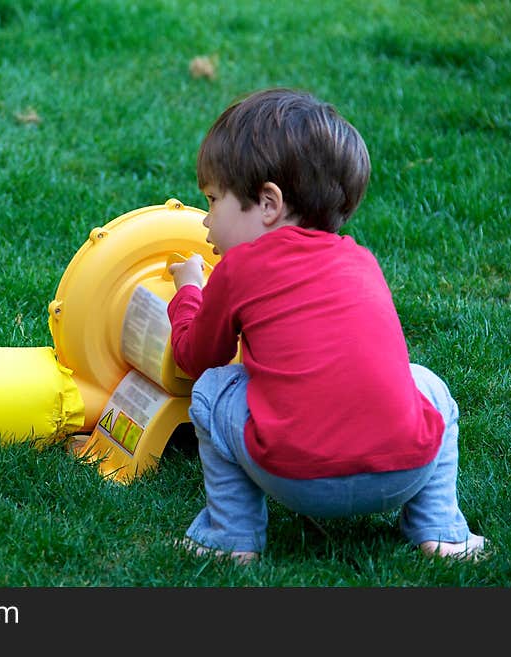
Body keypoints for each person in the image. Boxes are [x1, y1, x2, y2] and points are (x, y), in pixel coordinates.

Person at [166, 88, 486, 564]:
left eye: (214, 200)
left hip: (296, 478)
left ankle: (228, 536)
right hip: (404, 470)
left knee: (214, 389)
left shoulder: (239, 269)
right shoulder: (361, 260)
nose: (208, 220)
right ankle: (440, 529)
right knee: (429, 385)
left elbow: (194, 358)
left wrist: (189, 289)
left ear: (268, 204)